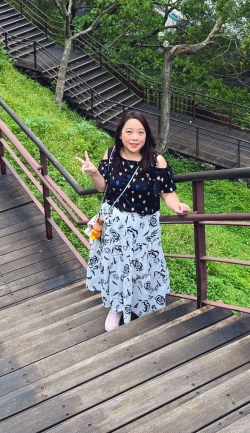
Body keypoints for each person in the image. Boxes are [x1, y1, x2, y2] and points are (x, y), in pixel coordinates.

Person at [78, 110, 191, 332]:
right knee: (118, 268)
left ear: (147, 135)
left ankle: (140, 303)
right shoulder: (111, 155)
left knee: (143, 268)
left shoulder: (156, 161)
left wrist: (177, 206)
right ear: (120, 134)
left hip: (144, 228)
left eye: (140, 132)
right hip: (115, 225)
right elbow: (103, 188)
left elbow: (167, 192)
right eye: (129, 132)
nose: (134, 137)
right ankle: (116, 308)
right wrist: (93, 173)